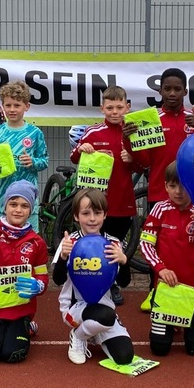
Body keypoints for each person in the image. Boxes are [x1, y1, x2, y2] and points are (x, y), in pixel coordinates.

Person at [128, 67, 194, 312]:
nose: (172, 93)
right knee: (158, 246)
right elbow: (142, 161)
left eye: (177, 89)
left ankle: (191, 292)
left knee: (188, 245)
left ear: (185, 91)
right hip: (160, 193)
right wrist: (128, 140)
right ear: (160, 91)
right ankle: (155, 291)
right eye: (167, 89)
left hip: (191, 195)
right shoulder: (152, 120)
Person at [71, 85, 143, 305]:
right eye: (110, 107)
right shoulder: (93, 132)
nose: (114, 111)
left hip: (123, 202)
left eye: (119, 107)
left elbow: (144, 164)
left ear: (127, 107)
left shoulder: (134, 131)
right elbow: (75, 158)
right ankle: (101, 285)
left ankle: (113, 283)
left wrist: (133, 158)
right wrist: (82, 150)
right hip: (96, 204)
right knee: (96, 243)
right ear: (102, 108)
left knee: (115, 245)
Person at [0, 181, 49, 364]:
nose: (18, 210)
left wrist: (38, 285)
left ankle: (28, 325)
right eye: (13, 204)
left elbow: (42, 275)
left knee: (14, 356)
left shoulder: (37, 243)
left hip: (21, 309)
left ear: (31, 210)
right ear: (5, 206)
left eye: (24, 205)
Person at [52, 188, 134, 365]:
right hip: (75, 309)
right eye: (86, 213)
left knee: (125, 357)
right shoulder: (69, 243)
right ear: (76, 216)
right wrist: (63, 257)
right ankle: (79, 335)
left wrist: (124, 260)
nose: (92, 219)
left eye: (97, 213)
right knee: (106, 316)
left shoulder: (113, 243)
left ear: (105, 215)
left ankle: (95, 333)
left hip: (104, 307)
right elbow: (57, 280)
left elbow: (124, 282)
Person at [140, 162, 194, 356]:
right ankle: (171, 325)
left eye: (184, 185)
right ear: (165, 186)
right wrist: (161, 268)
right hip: (166, 291)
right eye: (172, 186)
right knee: (159, 349)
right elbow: (145, 244)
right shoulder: (159, 210)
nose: (178, 191)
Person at [0, 81, 48, 225]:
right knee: (4, 241)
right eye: (8, 105)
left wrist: (33, 162)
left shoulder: (35, 133)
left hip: (28, 200)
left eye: (17, 105)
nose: (12, 109)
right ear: (2, 106)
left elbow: (44, 161)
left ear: (26, 106)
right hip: (2, 199)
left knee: (28, 241)